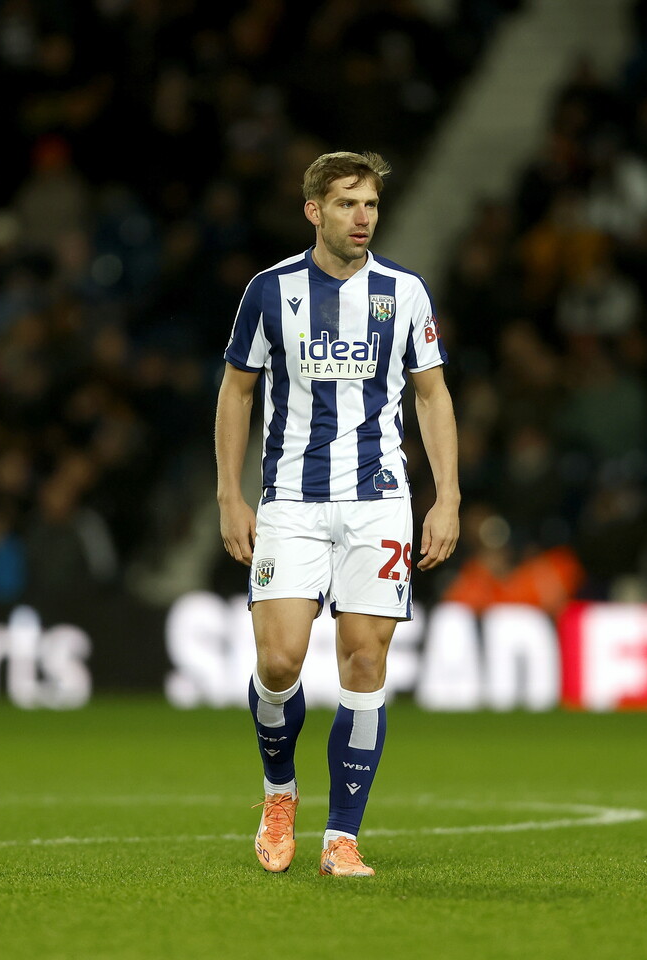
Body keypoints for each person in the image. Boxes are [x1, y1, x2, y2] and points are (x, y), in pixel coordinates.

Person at [215, 151, 460, 877]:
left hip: (378, 501)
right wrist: (230, 495)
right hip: (290, 501)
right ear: (314, 210)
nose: (363, 218)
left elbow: (431, 395)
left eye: (372, 205)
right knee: (278, 661)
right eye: (348, 203)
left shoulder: (404, 293)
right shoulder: (270, 291)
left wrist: (446, 496)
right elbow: (236, 391)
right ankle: (279, 793)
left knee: (364, 659)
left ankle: (341, 838)